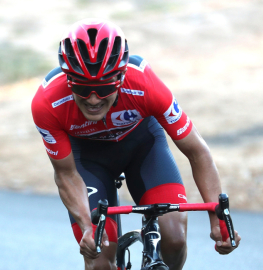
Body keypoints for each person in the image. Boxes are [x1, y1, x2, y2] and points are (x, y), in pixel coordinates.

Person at [31, 19, 241, 270]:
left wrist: (217, 219)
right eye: (83, 88)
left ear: (120, 77)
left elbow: (198, 152)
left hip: (142, 147)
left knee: (174, 238)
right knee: (98, 257)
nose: (94, 99)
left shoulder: (145, 84)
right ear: (69, 80)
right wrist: (87, 226)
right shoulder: (47, 103)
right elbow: (65, 173)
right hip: (88, 161)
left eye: (104, 87)